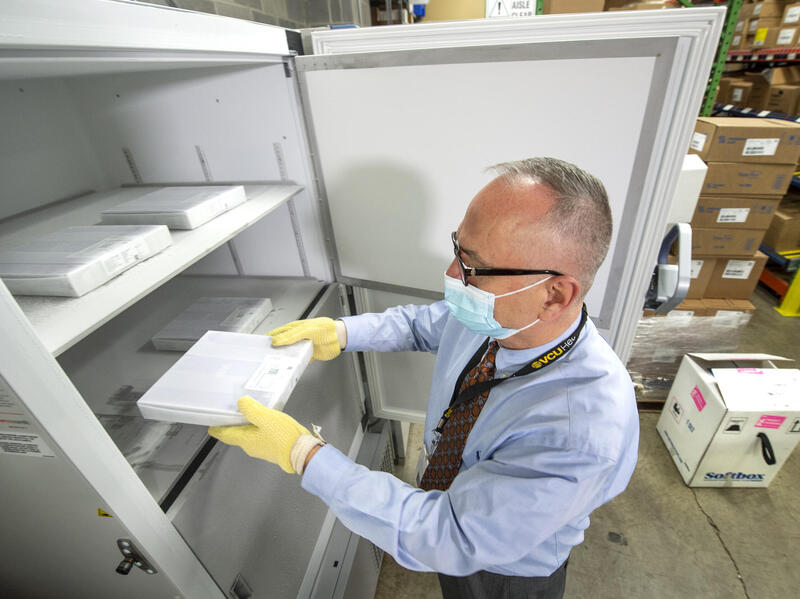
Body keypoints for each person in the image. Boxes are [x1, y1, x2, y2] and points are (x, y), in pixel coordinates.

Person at [210, 157, 639, 599]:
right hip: (449, 507)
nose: (454, 276)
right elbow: (423, 324)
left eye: (473, 266)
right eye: (458, 249)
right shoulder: (498, 314)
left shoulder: (580, 428)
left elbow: (450, 534)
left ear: (554, 295)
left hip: (505, 568)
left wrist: (305, 454)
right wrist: (340, 332)